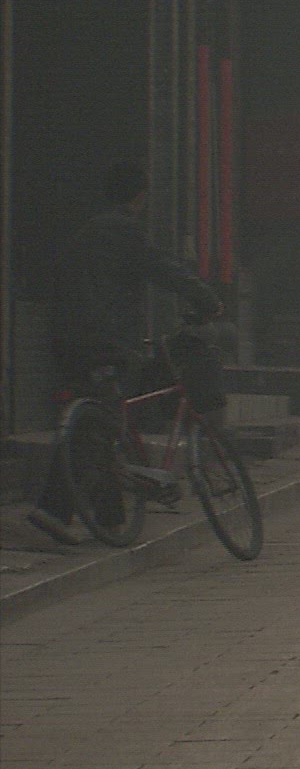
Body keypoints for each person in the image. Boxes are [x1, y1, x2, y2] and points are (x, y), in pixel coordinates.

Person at [26, 159, 223, 545]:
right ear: (140, 196)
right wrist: (208, 300)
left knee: (105, 421)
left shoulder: (87, 231)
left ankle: (110, 519)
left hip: (67, 339)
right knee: (98, 430)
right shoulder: (125, 231)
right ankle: (54, 511)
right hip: (107, 341)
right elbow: (164, 269)